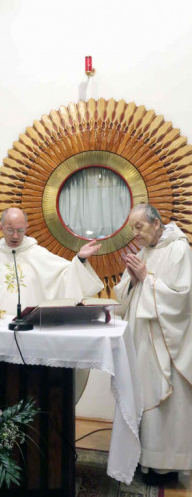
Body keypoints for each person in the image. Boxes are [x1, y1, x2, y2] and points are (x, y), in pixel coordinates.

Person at [114, 204, 192, 484]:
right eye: (132, 228)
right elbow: (123, 294)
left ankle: (164, 467)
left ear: (156, 223)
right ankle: (141, 459)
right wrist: (133, 281)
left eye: (139, 227)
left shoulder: (179, 249)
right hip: (141, 341)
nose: (135, 234)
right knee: (141, 398)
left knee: (164, 406)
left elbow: (182, 298)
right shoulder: (143, 252)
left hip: (164, 344)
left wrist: (147, 278)